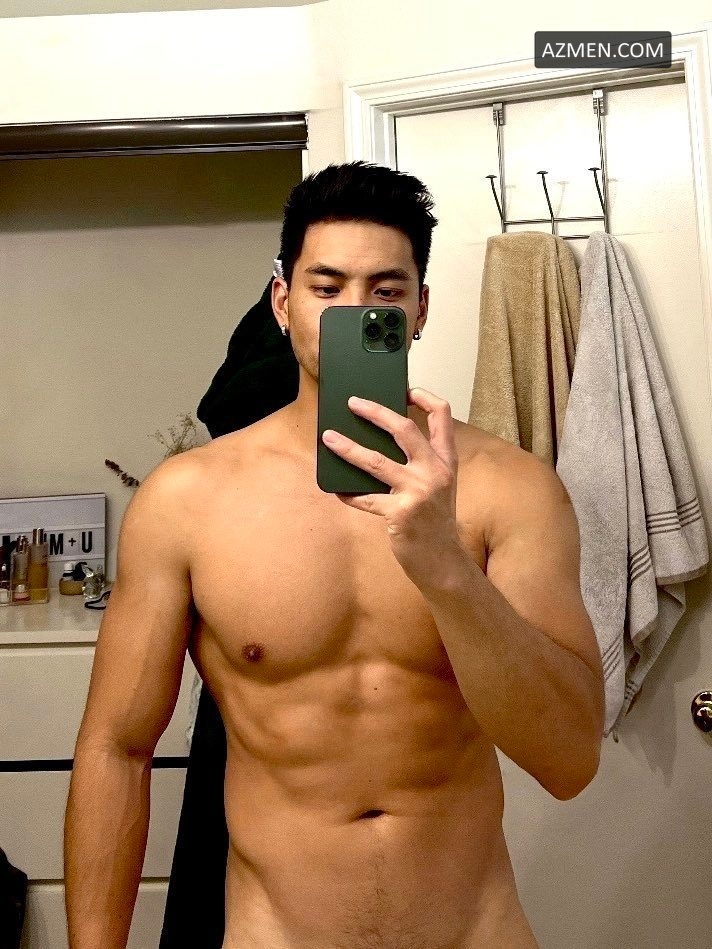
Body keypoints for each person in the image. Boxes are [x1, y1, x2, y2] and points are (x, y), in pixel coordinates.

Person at [64, 160, 605, 949]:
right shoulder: (188, 500)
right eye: (327, 287)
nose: (355, 310)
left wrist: (446, 568)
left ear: (420, 310)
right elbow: (117, 749)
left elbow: (569, 759)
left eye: (386, 291)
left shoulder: (511, 490)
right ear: (284, 302)